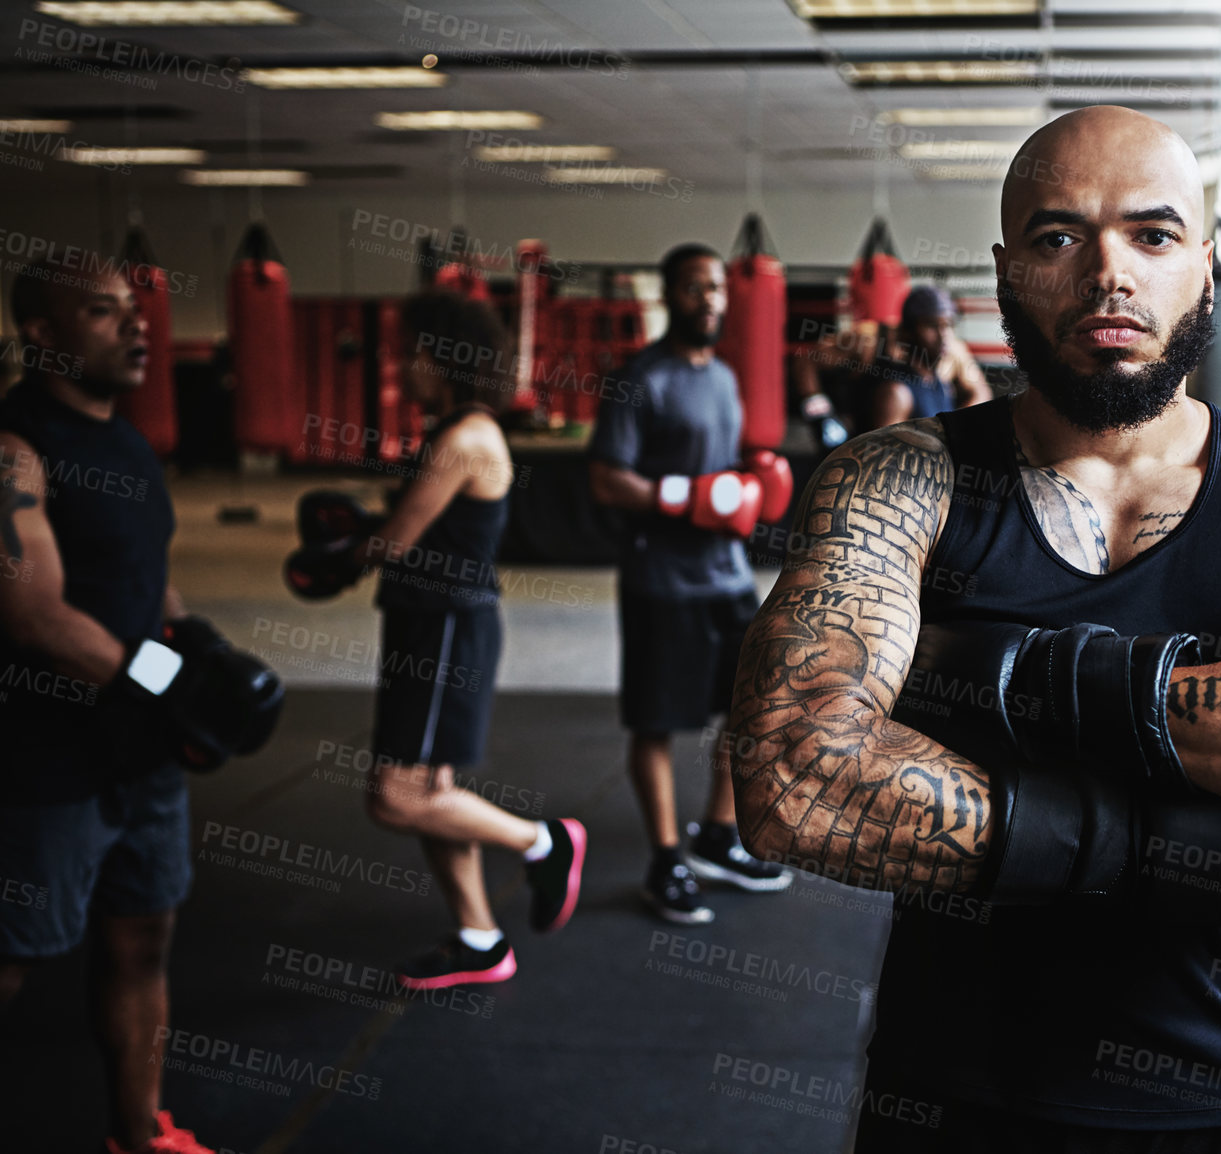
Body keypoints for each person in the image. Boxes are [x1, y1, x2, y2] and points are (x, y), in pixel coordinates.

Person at [726, 106, 1221, 1152]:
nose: (1108, 272)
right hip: (950, 1101)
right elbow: (794, 779)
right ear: (1007, 273)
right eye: (1059, 236)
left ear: (1206, 266)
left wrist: (1009, 682)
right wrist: (1194, 838)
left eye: (1152, 236)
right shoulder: (900, 479)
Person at [0, 255, 281, 1154]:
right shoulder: (15, 450)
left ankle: (137, 1135)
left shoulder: (127, 445)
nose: (137, 325)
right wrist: (169, 685)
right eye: (103, 311)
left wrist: (204, 653)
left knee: (142, 943)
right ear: (42, 333)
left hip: (142, 754)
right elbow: (33, 615)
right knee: (13, 957)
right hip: (45, 757)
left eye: (135, 308)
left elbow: (145, 583)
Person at [290, 290, 587, 988]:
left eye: (413, 354)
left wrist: (343, 555)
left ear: (445, 358)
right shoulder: (455, 431)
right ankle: (481, 940)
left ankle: (543, 842)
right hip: (430, 622)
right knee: (432, 790)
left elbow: (395, 543)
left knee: (395, 797)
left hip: (446, 629)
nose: (404, 367)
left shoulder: (465, 439)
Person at [588, 243, 795, 924]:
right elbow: (606, 479)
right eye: (693, 287)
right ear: (668, 295)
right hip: (663, 580)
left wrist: (748, 484)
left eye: (716, 288)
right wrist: (684, 497)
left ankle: (717, 834)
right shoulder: (639, 380)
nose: (708, 299)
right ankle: (664, 859)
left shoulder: (725, 377)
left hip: (726, 576)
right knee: (658, 723)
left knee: (749, 707)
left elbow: (722, 469)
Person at [853, 285, 993, 432]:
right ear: (907, 332)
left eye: (948, 325)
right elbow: (884, 446)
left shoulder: (940, 384)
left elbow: (981, 392)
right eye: (932, 326)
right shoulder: (897, 393)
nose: (943, 335)